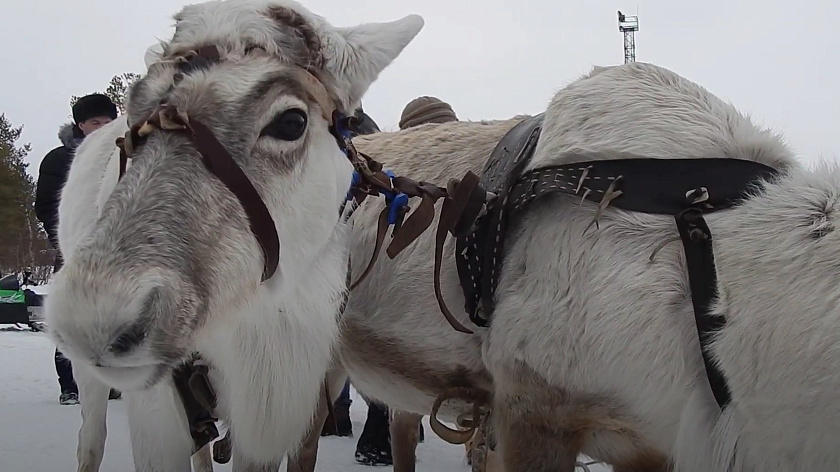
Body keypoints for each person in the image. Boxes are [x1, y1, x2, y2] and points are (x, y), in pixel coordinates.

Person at [35, 93, 121, 405]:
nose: (101, 128)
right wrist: (64, 241)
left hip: (118, 252)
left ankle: (112, 379)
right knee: (72, 319)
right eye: (94, 123)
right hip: (74, 249)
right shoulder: (59, 160)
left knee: (115, 316)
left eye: (107, 122)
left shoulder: (124, 154)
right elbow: (45, 205)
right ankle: (70, 384)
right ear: (80, 125)